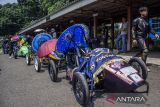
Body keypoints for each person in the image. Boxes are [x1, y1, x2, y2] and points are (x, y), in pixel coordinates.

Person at [133, 6, 159, 71]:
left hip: (145, 38)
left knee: (142, 51)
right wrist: (134, 39)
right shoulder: (136, 20)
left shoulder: (147, 21)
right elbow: (133, 30)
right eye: (145, 11)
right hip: (139, 37)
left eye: (147, 11)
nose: (146, 12)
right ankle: (144, 66)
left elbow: (150, 29)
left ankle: (133, 59)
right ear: (141, 12)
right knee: (145, 50)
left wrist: (155, 34)